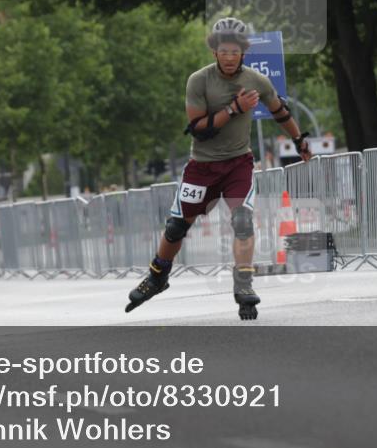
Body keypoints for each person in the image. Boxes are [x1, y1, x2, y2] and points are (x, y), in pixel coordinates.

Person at [124, 17, 312, 320]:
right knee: (176, 227)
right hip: (203, 166)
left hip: (238, 163)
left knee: (243, 222)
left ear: (243, 53)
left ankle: (244, 286)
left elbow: (280, 111)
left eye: (234, 52)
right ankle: (158, 276)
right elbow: (198, 129)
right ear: (214, 52)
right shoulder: (198, 81)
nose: (228, 57)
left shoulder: (256, 81)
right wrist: (233, 109)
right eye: (223, 51)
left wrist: (299, 139)